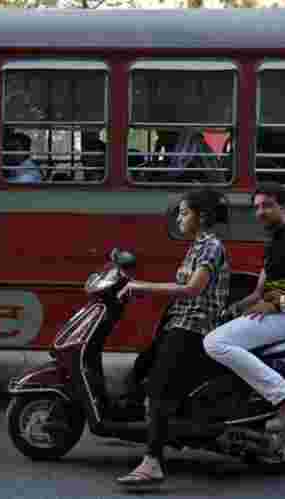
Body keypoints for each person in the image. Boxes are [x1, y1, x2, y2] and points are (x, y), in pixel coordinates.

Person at [114, 189, 231, 487]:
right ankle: (144, 432)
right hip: (178, 324)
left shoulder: (210, 247)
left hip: (193, 328)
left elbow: (192, 289)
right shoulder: (197, 246)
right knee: (139, 371)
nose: (179, 218)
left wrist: (143, 287)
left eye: (183, 213)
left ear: (201, 216)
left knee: (158, 391)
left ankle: (152, 461)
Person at [203, 181, 285, 435]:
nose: (261, 212)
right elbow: (260, 291)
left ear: (284, 206)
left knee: (214, 343)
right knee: (217, 333)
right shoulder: (274, 240)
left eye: (267, 206)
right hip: (279, 312)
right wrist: (234, 308)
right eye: (257, 207)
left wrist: (280, 304)